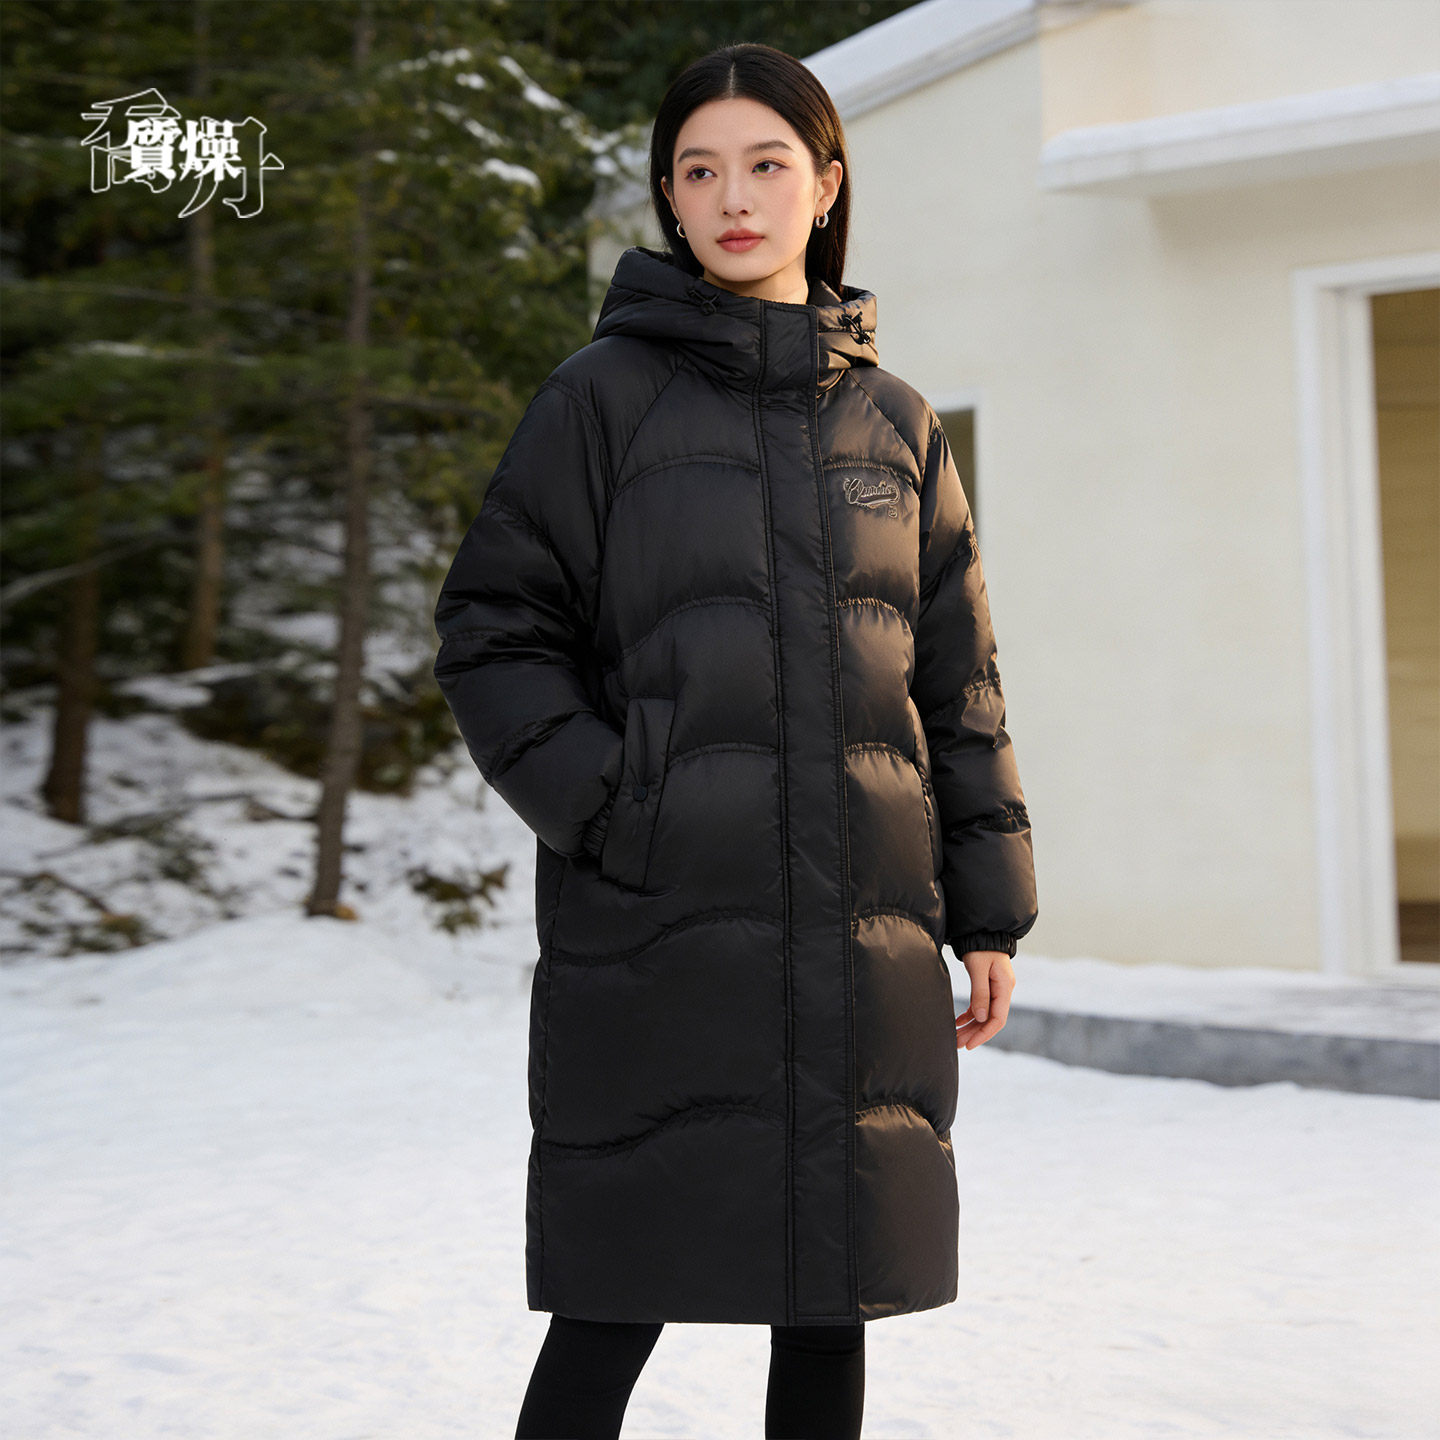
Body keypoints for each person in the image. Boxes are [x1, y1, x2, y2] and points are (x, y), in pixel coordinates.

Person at [432, 41, 1038, 1440]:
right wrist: (616, 804)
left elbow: (957, 685)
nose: (734, 197)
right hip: (663, 922)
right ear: (669, 197)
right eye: (698, 171)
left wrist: (988, 908)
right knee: (615, 1292)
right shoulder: (599, 401)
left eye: (767, 164)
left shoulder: (897, 425)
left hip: (860, 925)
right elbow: (491, 633)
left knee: (831, 1294)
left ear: (826, 184)